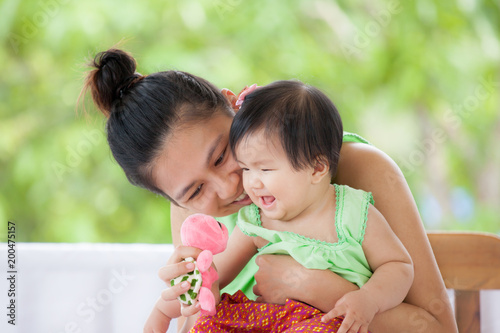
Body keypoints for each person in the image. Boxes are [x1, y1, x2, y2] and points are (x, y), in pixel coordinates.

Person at [80, 48, 458, 333]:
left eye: (222, 155)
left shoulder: (356, 170)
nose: (231, 185)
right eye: (194, 191)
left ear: (233, 104)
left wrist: (312, 286)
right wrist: (182, 304)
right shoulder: (198, 219)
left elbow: (439, 328)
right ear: (173, 199)